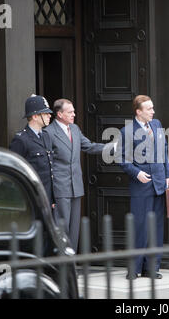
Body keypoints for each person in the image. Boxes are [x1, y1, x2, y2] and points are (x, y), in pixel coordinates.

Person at [45, 98, 113, 253]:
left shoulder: (75, 129)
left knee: (74, 228)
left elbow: (89, 146)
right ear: (59, 114)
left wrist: (113, 147)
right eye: (70, 112)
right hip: (59, 187)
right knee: (62, 228)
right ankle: (60, 263)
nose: (74, 114)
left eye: (74, 111)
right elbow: (46, 163)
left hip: (76, 186)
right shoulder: (48, 132)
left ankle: (71, 263)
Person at [118, 95, 169, 280]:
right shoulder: (126, 131)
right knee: (140, 228)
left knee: (156, 228)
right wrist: (136, 173)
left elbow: (164, 152)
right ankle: (134, 268)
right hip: (141, 186)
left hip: (159, 184)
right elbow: (121, 159)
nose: (153, 111)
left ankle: (152, 267)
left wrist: (168, 175)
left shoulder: (156, 125)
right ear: (138, 112)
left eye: (152, 108)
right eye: (149, 109)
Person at [10, 95, 54, 206]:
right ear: (35, 116)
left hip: (46, 198)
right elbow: (14, 171)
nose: (49, 115)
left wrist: (52, 199)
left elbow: (49, 171)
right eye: (45, 113)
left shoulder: (46, 136)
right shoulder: (21, 139)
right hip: (31, 198)